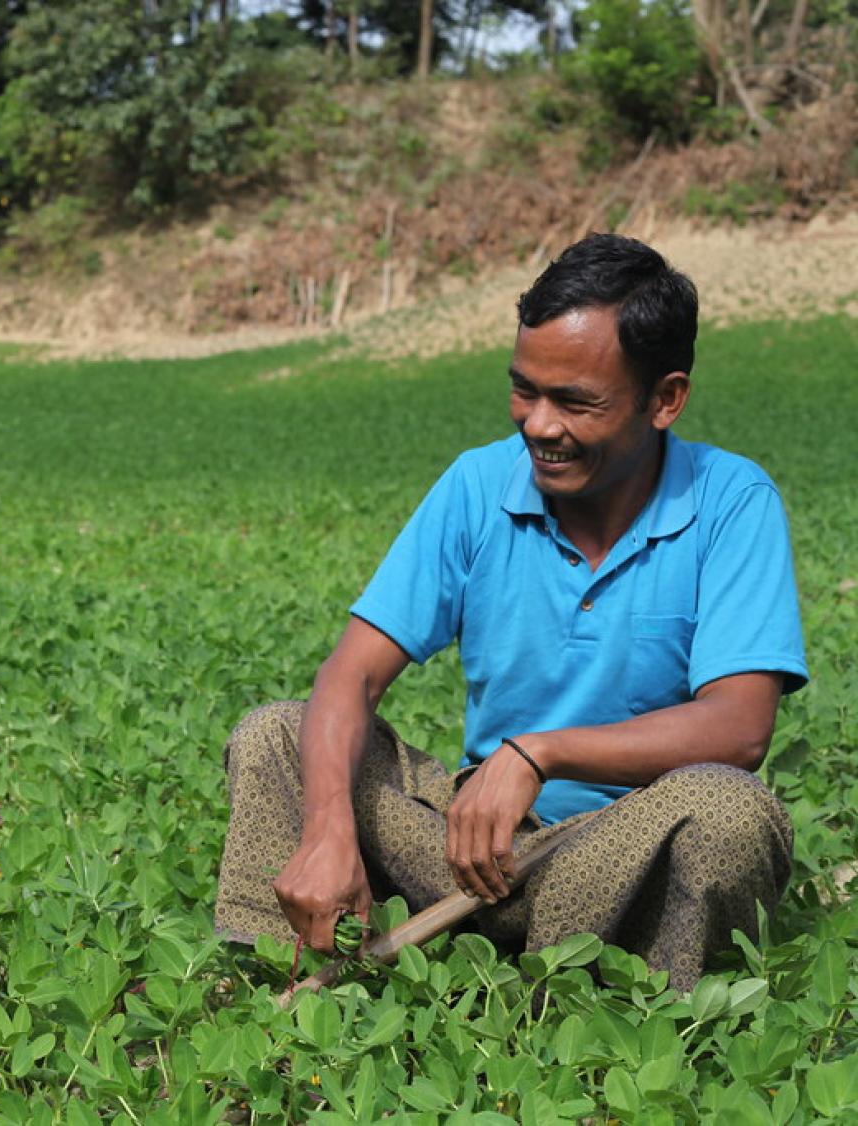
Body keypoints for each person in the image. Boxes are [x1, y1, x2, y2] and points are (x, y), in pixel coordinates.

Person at [214, 234, 806, 991]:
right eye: (526, 389)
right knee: (278, 735)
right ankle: (283, 980)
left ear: (666, 399)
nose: (538, 425)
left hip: (615, 857)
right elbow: (352, 675)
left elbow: (740, 726)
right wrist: (329, 828)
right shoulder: (478, 484)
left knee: (730, 814)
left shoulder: (731, 502)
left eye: (575, 402)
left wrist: (538, 754)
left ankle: (617, 1010)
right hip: (467, 849)